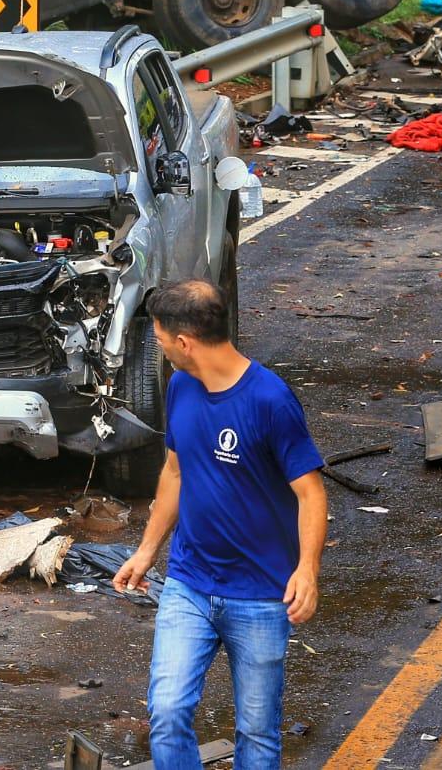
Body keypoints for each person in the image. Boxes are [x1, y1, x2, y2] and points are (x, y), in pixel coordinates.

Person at [112, 280, 326, 770]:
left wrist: (307, 570)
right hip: (189, 583)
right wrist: (147, 551)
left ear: (184, 342)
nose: (161, 350)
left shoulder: (270, 401)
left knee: (256, 733)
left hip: (261, 594)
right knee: (166, 713)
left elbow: (311, 493)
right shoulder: (182, 386)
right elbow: (175, 470)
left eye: (162, 339)